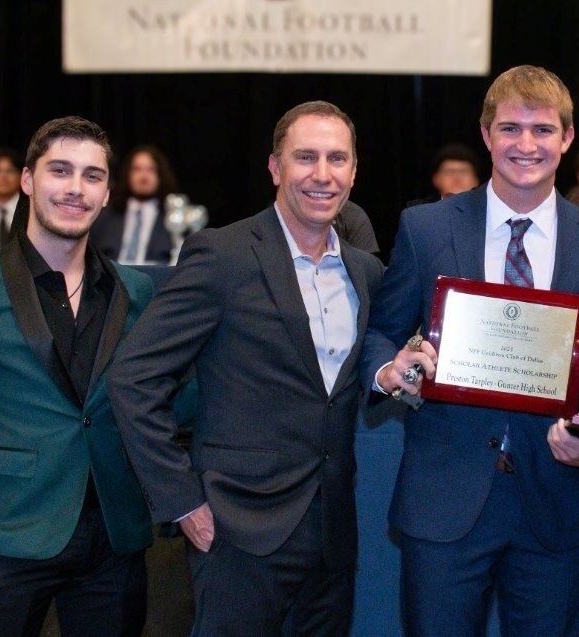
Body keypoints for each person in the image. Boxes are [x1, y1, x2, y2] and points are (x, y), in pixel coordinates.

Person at [361, 65, 579, 636]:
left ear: (567, 139)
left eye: (543, 130)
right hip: (444, 500)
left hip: (556, 504)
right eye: (511, 128)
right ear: (485, 134)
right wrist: (387, 370)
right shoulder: (425, 228)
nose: (527, 145)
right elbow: (381, 330)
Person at [108, 100, 384, 635]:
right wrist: (181, 500)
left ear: (354, 171)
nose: (322, 175)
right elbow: (133, 377)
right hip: (236, 531)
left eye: (337, 159)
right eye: (305, 158)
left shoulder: (367, 272)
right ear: (275, 168)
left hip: (333, 536)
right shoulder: (223, 255)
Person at [0, 117, 156, 635]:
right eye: (61, 170)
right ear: (29, 180)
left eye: (92, 175)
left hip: (115, 543)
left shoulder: (136, 291)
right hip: (4, 542)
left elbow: (165, 398)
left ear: (107, 193)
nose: (76, 189)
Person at [91, 145, 181, 265]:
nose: (144, 176)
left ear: (160, 174)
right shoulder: (106, 213)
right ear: (127, 174)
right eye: (137, 169)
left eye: (151, 169)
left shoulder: (173, 216)